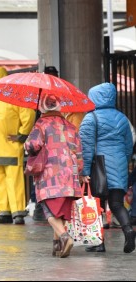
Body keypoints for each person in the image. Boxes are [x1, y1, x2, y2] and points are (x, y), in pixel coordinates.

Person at [24, 94, 83, 258]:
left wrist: (27, 143)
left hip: (50, 174)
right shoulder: (71, 126)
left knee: (49, 211)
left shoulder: (41, 124)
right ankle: (57, 245)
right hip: (70, 175)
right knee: (61, 212)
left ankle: (65, 238)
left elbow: (32, 145)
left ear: (43, 107)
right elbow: (79, 153)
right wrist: (78, 170)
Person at [79, 82, 135, 253]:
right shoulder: (122, 118)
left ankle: (99, 243)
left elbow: (86, 149)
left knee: (96, 205)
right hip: (118, 165)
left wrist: (84, 170)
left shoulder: (90, 118)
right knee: (117, 204)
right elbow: (128, 146)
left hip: (98, 168)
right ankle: (129, 231)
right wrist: (122, 162)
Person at [0, 67, 36, 225]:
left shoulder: (14, 97)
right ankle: (4, 211)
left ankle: (17, 212)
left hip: (10, 146)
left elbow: (28, 114)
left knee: (13, 179)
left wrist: (22, 135)